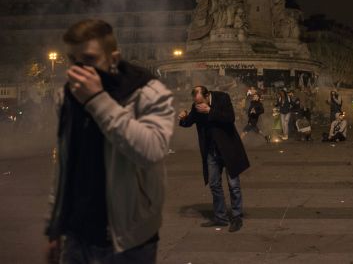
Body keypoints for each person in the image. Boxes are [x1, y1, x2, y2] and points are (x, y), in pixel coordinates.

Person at [45, 19, 175, 264]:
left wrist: (97, 99)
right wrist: (55, 225)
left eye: (90, 59)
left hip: (128, 240)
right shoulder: (67, 96)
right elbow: (64, 163)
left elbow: (152, 150)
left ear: (113, 59)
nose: (79, 69)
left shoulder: (149, 93)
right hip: (76, 236)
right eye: (72, 60)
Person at [179, 86, 249, 232]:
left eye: (200, 102)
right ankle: (220, 217)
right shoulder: (196, 106)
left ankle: (236, 217)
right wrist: (182, 118)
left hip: (228, 148)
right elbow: (189, 121)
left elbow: (229, 118)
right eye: (196, 103)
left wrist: (210, 111)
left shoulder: (222, 97)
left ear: (207, 95)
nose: (198, 105)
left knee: (233, 184)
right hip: (211, 151)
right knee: (214, 184)